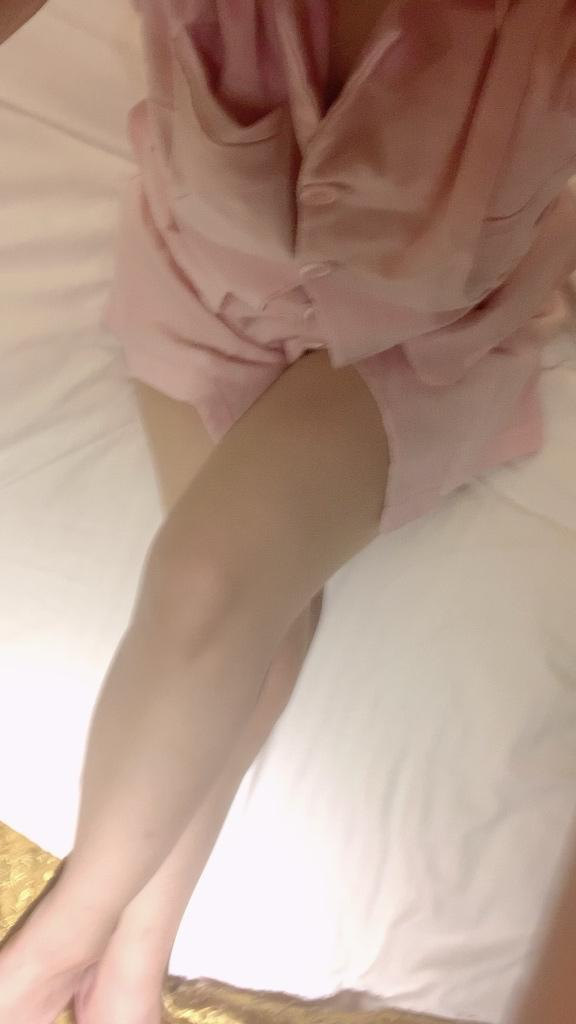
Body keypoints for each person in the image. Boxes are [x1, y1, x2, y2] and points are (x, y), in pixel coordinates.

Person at [0, 2, 575, 1023]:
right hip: (206, 276)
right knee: (257, 617)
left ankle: (42, 964)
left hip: (417, 339)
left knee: (211, 577)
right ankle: (127, 974)